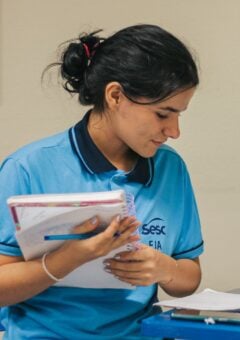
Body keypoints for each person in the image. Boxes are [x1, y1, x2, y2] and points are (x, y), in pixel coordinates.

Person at [0, 24, 204, 339]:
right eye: (163, 114)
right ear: (115, 96)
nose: (174, 131)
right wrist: (64, 260)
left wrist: (165, 269)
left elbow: (188, 277)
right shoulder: (27, 168)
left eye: (180, 115)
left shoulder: (171, 169)